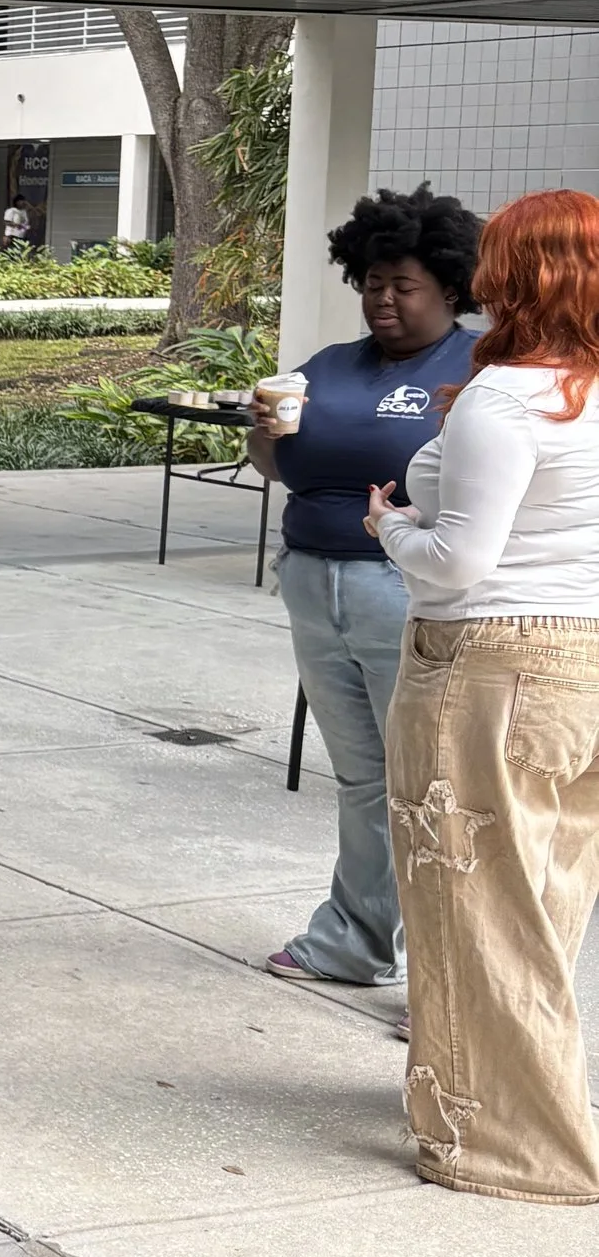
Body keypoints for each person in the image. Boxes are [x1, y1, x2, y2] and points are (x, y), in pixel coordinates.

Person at [370, 189, 599, 1203]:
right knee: (546, 902)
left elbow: (458, 561)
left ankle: (506, 1146)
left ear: (516, 274)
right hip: (583, 661)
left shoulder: (507, 398)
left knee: (470, 905)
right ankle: (512, 1100)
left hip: (488, 663)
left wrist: (388, 528)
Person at [249, 186, 480, 992]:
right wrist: (264, 433)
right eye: (372, 281)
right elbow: (285, 467)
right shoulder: (329, 367)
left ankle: (445, 980)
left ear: (450, 287)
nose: (383, 298)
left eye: (402, 284)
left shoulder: (476, 369)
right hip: (314, 584)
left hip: (408, 590)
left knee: (428, 781)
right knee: (362, 777)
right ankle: (355, 937)